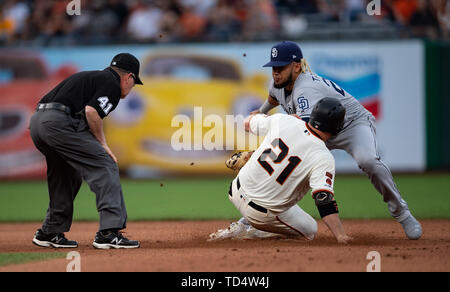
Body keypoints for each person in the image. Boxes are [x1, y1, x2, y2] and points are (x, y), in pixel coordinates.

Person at [255, 41, 422, 240]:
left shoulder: (305, 88)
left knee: (368, 160)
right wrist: (261, 111)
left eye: (281, 67)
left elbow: (304, 127)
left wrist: (264, 122)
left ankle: (402, 213)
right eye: (274, 67)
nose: (276, 72)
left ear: (297, 66)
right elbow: (274, 98)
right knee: (288, 168)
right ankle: (254, 217)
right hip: (319, 129)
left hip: (351, 125)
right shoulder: (278, 84)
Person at [30, 53, 143, 249]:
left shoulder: (91, 77)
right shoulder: (112, 83)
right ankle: (109, 232)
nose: (131, 88)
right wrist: (102, 143)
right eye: (134, 84)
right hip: (59, 123)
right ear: (129, 77)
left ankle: (50, 231)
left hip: (38, 123)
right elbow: (92, 112)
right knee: (104, 163)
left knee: (66, 174)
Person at [210, 98, 352, 244]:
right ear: (337, 128)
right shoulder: (323, 156)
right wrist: (340, 235)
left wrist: (277, 123)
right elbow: (323, 199)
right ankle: (253, 231)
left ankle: (241, 225)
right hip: (260, 214)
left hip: (235, 189)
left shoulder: (284, 120)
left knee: (271, 192)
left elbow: (247, 123)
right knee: (310, 230)